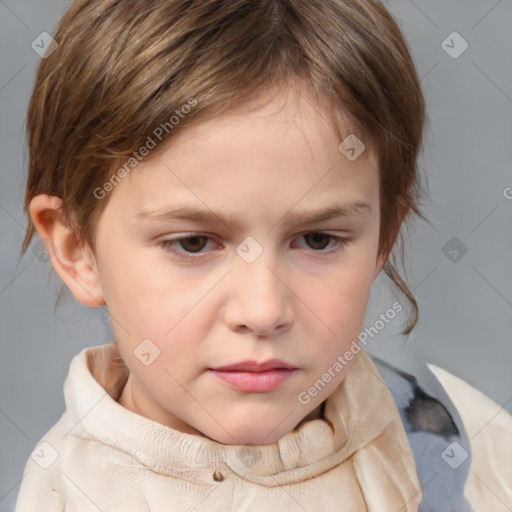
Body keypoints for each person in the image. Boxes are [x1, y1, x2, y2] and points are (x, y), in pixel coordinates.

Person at [15, 0, 511, 511]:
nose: (263, 311)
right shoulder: (67, 497)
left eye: (318, 240)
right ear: (78, 251)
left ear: (384, 237)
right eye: (192, 243)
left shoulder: (463, 443)